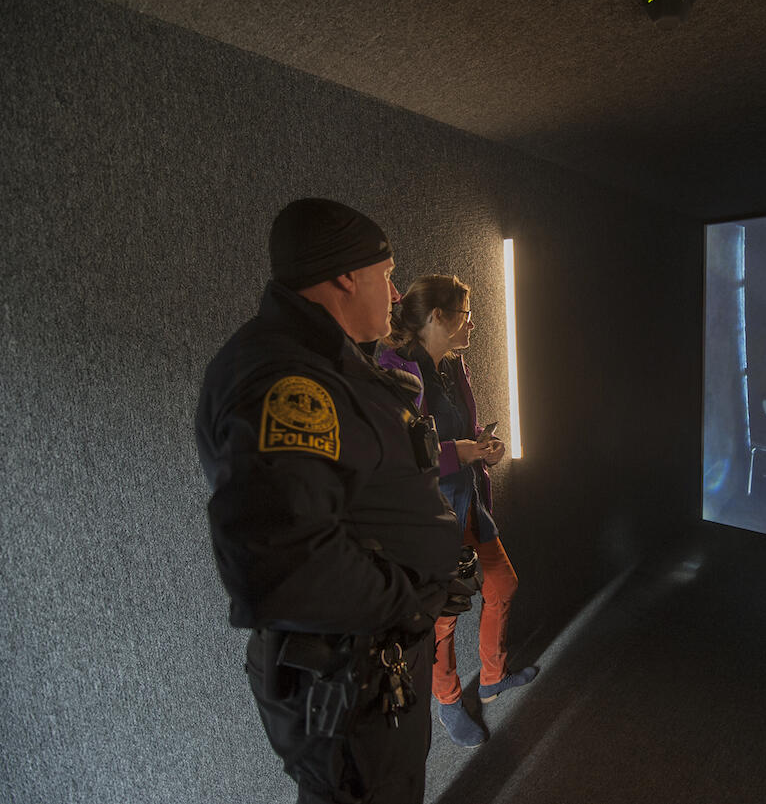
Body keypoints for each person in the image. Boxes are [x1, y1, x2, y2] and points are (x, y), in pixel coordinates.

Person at [195, 198, 467, 803]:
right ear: (346, 276)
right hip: (353, 675)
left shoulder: (330, 362)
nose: (396, 295)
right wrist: (410, 602)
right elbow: (284, 561)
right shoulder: (286, 382)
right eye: (386, 276)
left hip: (373, 668)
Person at [379, 274, 538, 748]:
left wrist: (485, 449)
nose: (473, 324)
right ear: (437, 318)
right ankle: (448, 703)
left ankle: (491, 678)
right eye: (465, 315)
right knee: (441, 620)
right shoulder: (394, 371)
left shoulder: (454, 366)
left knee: (503, 584)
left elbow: (465, 432)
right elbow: (403, 455)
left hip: (467, 501)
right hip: (430, 514)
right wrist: (461, 452)